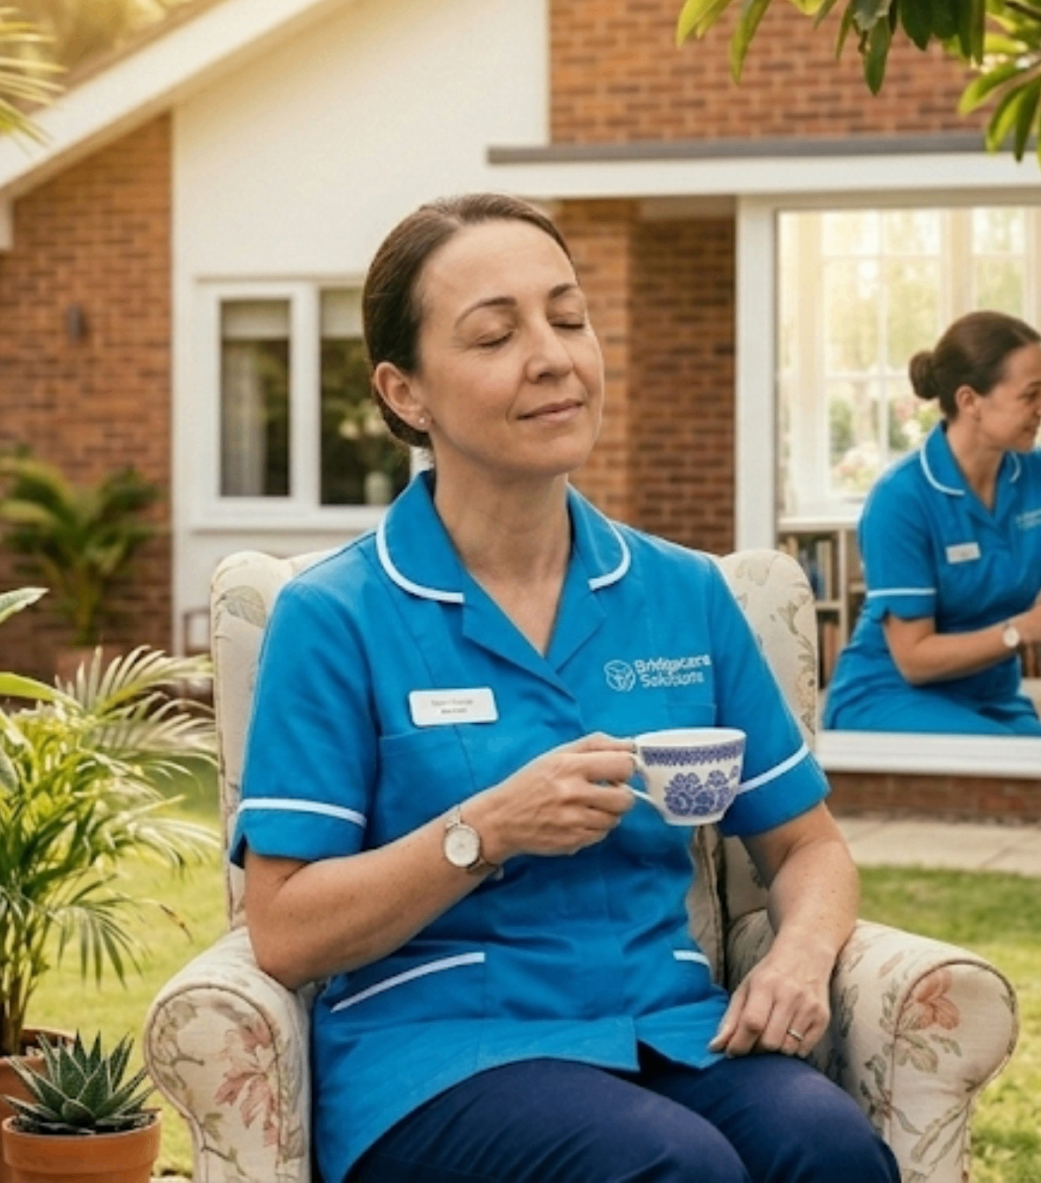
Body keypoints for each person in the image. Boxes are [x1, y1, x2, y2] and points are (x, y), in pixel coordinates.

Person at [232, 194, 897, 1183]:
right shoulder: (337, 616)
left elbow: (806, 845)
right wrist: (486, 829)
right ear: (405, 393)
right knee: (676, 1168)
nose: (553, 356)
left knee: (829, 1149)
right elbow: (284, 929)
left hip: (667, 1030)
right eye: (496, 334)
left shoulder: (687, 596)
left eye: (569, 318)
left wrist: (799, 956)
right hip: (439, 1055)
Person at [822, 311, 1041, 736]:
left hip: (994, 696)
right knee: (1021, 769)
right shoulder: (900, 499)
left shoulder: (1038, 473)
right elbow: (914, 660)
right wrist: (1021, 631)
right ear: (970, 401)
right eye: (1031, 394)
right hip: (891, 693)